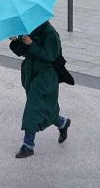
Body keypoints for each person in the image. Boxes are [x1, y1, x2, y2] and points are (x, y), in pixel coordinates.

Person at [8, 20, 72, 158]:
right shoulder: (30, 28)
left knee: (33, 108)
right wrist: (16, 41)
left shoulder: (51, 34)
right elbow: (22, 52)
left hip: (46, 78)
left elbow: (50, 56)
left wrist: (32, 44)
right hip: (31, 75)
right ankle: (62, 123)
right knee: (43, 108)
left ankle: (28, 145)